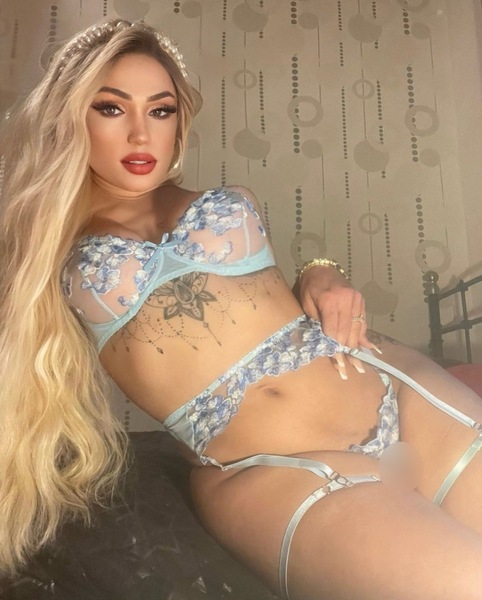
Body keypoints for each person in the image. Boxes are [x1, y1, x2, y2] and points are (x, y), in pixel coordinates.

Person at [1, 18, 482, 600]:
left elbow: (266, 293)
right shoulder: (40, 245)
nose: (140, 134)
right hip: (278, 471)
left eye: (160, 110)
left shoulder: (212, 198)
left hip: (394, 385)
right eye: (111, 108)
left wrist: (322, 272)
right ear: (70, 115)